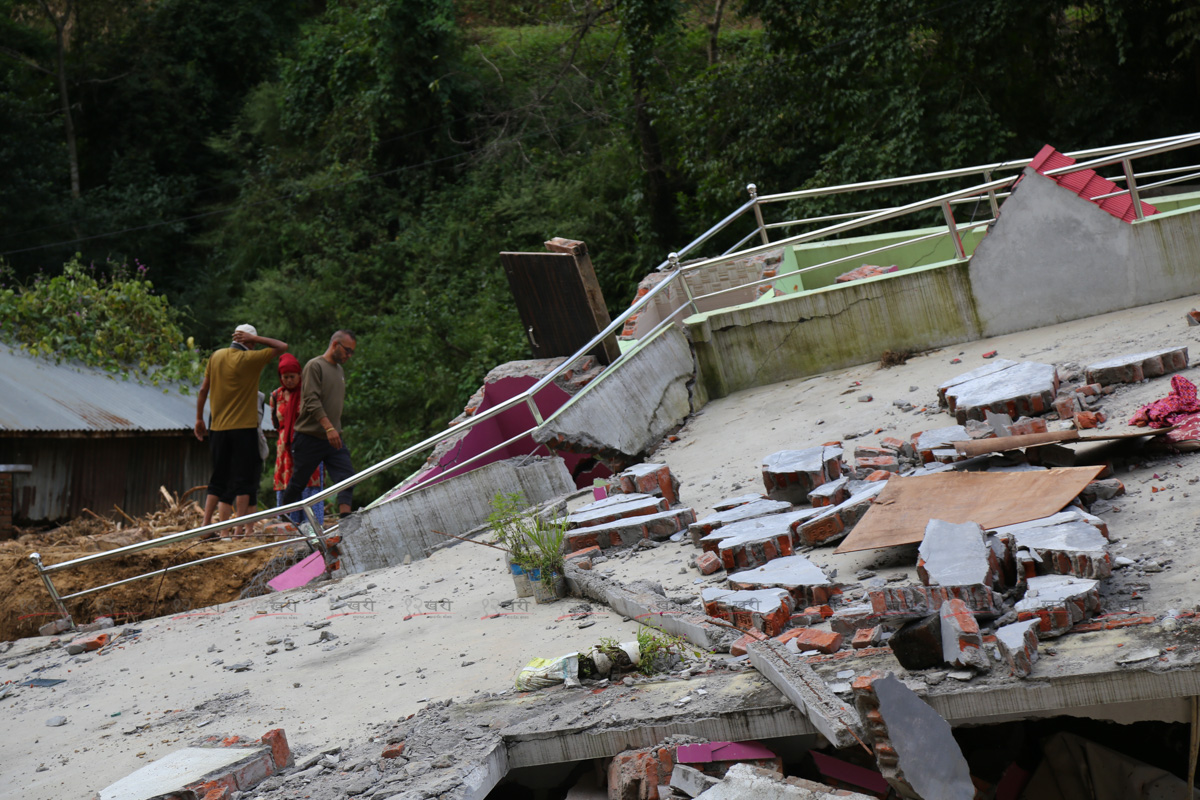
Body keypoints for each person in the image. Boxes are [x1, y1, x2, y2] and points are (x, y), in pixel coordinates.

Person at [194, 324, 288, 535]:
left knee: (218, 477)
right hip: (243, 429)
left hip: (217, 427)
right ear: (250, 343)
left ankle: (206, 524)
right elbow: (282, 346)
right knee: (244, 481)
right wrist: (258, 339)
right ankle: (239, 532)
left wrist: (199, 419)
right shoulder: (250, 360)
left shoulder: (216, 356)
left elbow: (203, 390)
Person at [280, 330, 357, 522]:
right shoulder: (315, 366)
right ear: (335, 345)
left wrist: (334, 429)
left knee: (347, 477)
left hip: (333, 437)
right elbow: (311, 401)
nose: (349, 355)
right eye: (347, 350)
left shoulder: (339, 370)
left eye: (352, 352)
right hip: (310, 436)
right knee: (299, 482)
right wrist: (328, 427)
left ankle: (346, 520)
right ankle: (282, 519)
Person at [270, 353, 324, 528]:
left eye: (292, 377)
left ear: (300, 375)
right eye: (285, 377)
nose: (288, 381)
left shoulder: (307, 393)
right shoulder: (276, 396)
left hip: (307, 443)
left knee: (309, 482)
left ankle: (313, 526)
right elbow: (276, 422)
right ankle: (290, 525)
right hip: (285, 447)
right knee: (288, 484)